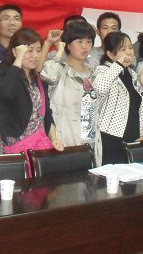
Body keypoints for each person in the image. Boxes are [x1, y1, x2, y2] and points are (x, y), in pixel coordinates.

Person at [0, 28, 63, 168]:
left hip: (40, 146)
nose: (35, 55)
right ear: (16, 52)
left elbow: (46, 113)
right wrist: (18, 59)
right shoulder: (5, 72)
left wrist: (54, 138)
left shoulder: (38, 78)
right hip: (16, 150)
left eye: (38, 50)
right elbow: (6, 93)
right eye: (29, 51)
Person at [40, 21, 102, 165]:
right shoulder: (58, 69)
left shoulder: (94, 73)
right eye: (79, 41)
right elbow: (48, 75)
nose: (85, 46)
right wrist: (58, 50)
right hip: (62, 140)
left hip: (89, 141)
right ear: (68, 44)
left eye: (89, 42)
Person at [92, 32, 143, 164]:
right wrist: (118, 64)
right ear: (110, 54)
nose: (129, 52)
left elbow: (142, 106)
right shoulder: (102, 70)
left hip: (134, 139)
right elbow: (99, 88)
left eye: (130, 48)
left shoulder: (132, 74)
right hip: (111, 138)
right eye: (123, 49)